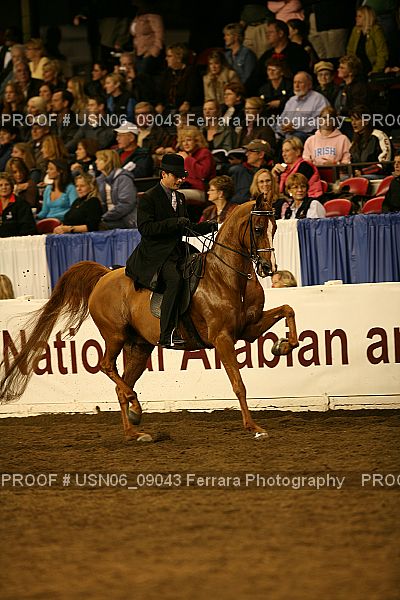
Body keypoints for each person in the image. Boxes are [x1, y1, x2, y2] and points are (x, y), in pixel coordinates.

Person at [125, 153, 217, 348]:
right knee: (174, 280)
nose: (180, 180)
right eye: (176, 176)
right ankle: (167, 333)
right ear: (164, 174)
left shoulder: (180, 198)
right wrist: (173, 223)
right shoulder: (148, 197)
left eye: (182, 176)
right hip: (155, 253)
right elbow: (146, 229)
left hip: (177, 249)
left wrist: (208, 227)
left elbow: (185, 228)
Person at [276, 71, 329, 141]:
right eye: (295, 82)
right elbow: (281, 119)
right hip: (286, 134)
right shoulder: (291, 100)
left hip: (307, 136)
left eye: (300, 82)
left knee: (295, 137)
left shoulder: (318, 99)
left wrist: (296, 126)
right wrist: (282, 126)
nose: (296, 86)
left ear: (309, 85)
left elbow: (322, 121)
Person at [176, 126, 216, 217]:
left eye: (189, 140)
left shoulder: (204, 152)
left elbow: (203, 174)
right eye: (183, 141)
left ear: (196, 141)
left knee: (175, 195)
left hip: (202, 190)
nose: (185, 144)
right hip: (184, 187)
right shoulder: (186, 155)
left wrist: (187, 159)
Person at [95, 149, 138, 229]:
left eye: (99, 159)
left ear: (108, 161)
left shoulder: (123, 178)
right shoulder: (99, 180)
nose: (96, 162)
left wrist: (104, 217)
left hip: (125, 219)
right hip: (108, 218)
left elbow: (126, 203)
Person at [346, 6, 388, 75]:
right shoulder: (355, 30)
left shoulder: (376, 30)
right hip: (358, 69)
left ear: (367, 17)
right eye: (356, 16)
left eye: (359, 16)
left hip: (372, 68)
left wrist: (376, 71)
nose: (356, 18)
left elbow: (382, 53)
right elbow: (350, 50)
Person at [230, 139, 273, 204]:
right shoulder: (238, 171)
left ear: (261, 154)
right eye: (247, 151)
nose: (247, 154)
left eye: (250, 151)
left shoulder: (271, 173)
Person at [349, 105, 392, 169]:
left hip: (376, 174)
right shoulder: (354, 141)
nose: (353, 123)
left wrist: (363, 172)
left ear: (367, 121)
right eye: (352, 120)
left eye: (357, 119)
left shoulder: (379, 135)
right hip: (359, 174)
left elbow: (384, 163)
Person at [0, 172, 37, 237]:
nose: (4, 187)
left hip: (17, 240)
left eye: (7, 184)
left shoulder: (22, 204)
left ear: (12, 186)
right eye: (0, 185)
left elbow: (27, 228)